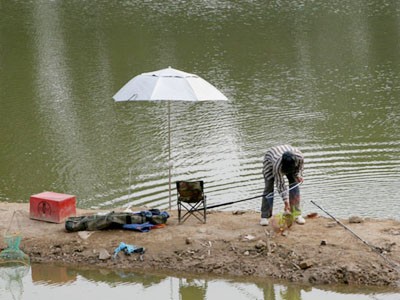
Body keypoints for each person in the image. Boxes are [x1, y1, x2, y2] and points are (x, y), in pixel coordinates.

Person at [260, 144, 305, 226]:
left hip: (291, 165)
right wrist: (286, 202)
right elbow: (280, 184)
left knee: (295, 185)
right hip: (270, 163)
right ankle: (265, 216)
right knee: (268, 189)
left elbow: (300, 168)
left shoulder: (300, 157)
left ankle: (296, 214)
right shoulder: (277, 166)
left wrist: (298, 175)